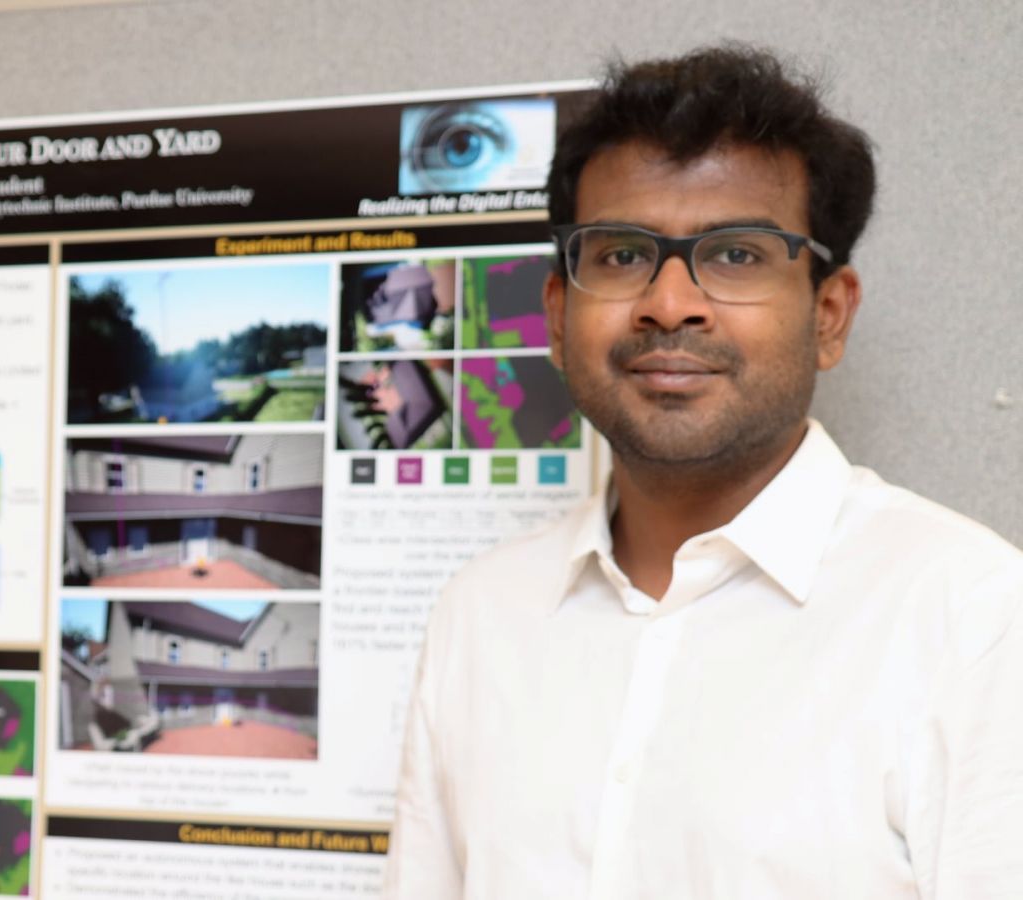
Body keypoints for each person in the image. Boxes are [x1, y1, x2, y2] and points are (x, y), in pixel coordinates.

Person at [384, 44, 1023, 899]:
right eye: (619, 256)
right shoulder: (483, 613)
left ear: (828, 317)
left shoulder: (971, 619)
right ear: (557, 313)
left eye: (737, 255)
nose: (670, 302)